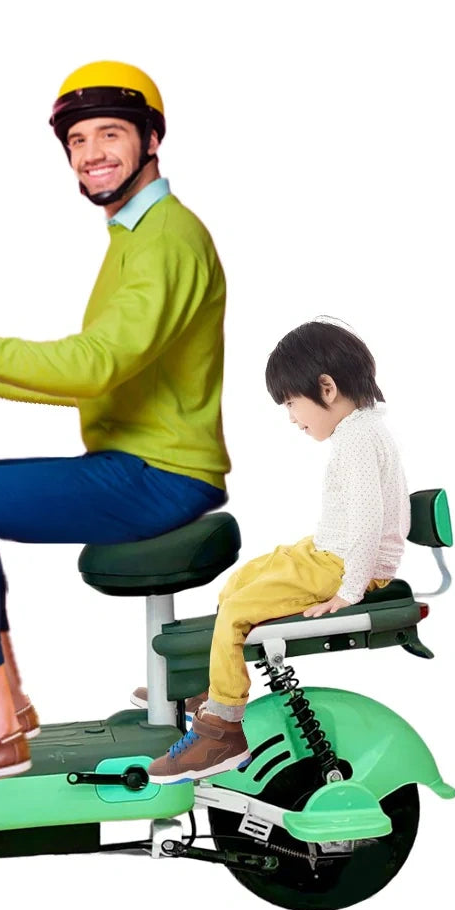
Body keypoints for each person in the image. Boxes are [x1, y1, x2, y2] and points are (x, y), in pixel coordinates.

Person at [0, 61, 231, 788]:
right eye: (78, 140)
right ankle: (2, 704)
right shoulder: (136, 235)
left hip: (158, 475)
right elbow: (108, 375)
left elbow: (93, 365)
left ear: (151, 138)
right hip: (143, 464)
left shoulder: (165, 238)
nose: (93, 152)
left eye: (110, 134)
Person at [148, 318, 410, 782]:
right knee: (239, 584)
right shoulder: (358, 431)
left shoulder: (359, 438)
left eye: (292, 403)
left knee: (236, 612)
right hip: (326, 551)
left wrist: (350, 590)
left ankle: (222, 733)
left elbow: (369, 519)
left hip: (341, 565)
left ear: (326, 388)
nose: (292, 418)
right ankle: (220, 689)